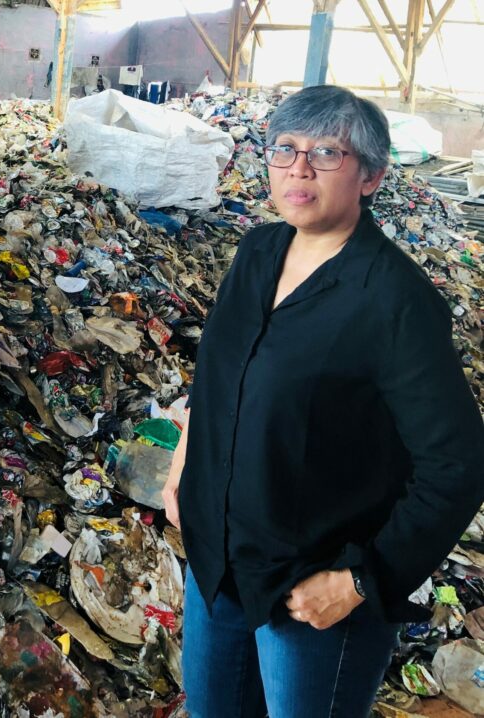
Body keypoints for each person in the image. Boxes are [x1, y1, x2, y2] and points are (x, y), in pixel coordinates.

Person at [162, 85, 484, 718]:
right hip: (218, 559)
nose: (299, 168)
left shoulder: (394, 299)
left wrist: (362, 580)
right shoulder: (257, 251)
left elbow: (458, 464)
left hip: (313, 589)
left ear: (371, 177)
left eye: (327, 152)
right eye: (285, 148)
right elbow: (220, 373)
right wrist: (184, 462)